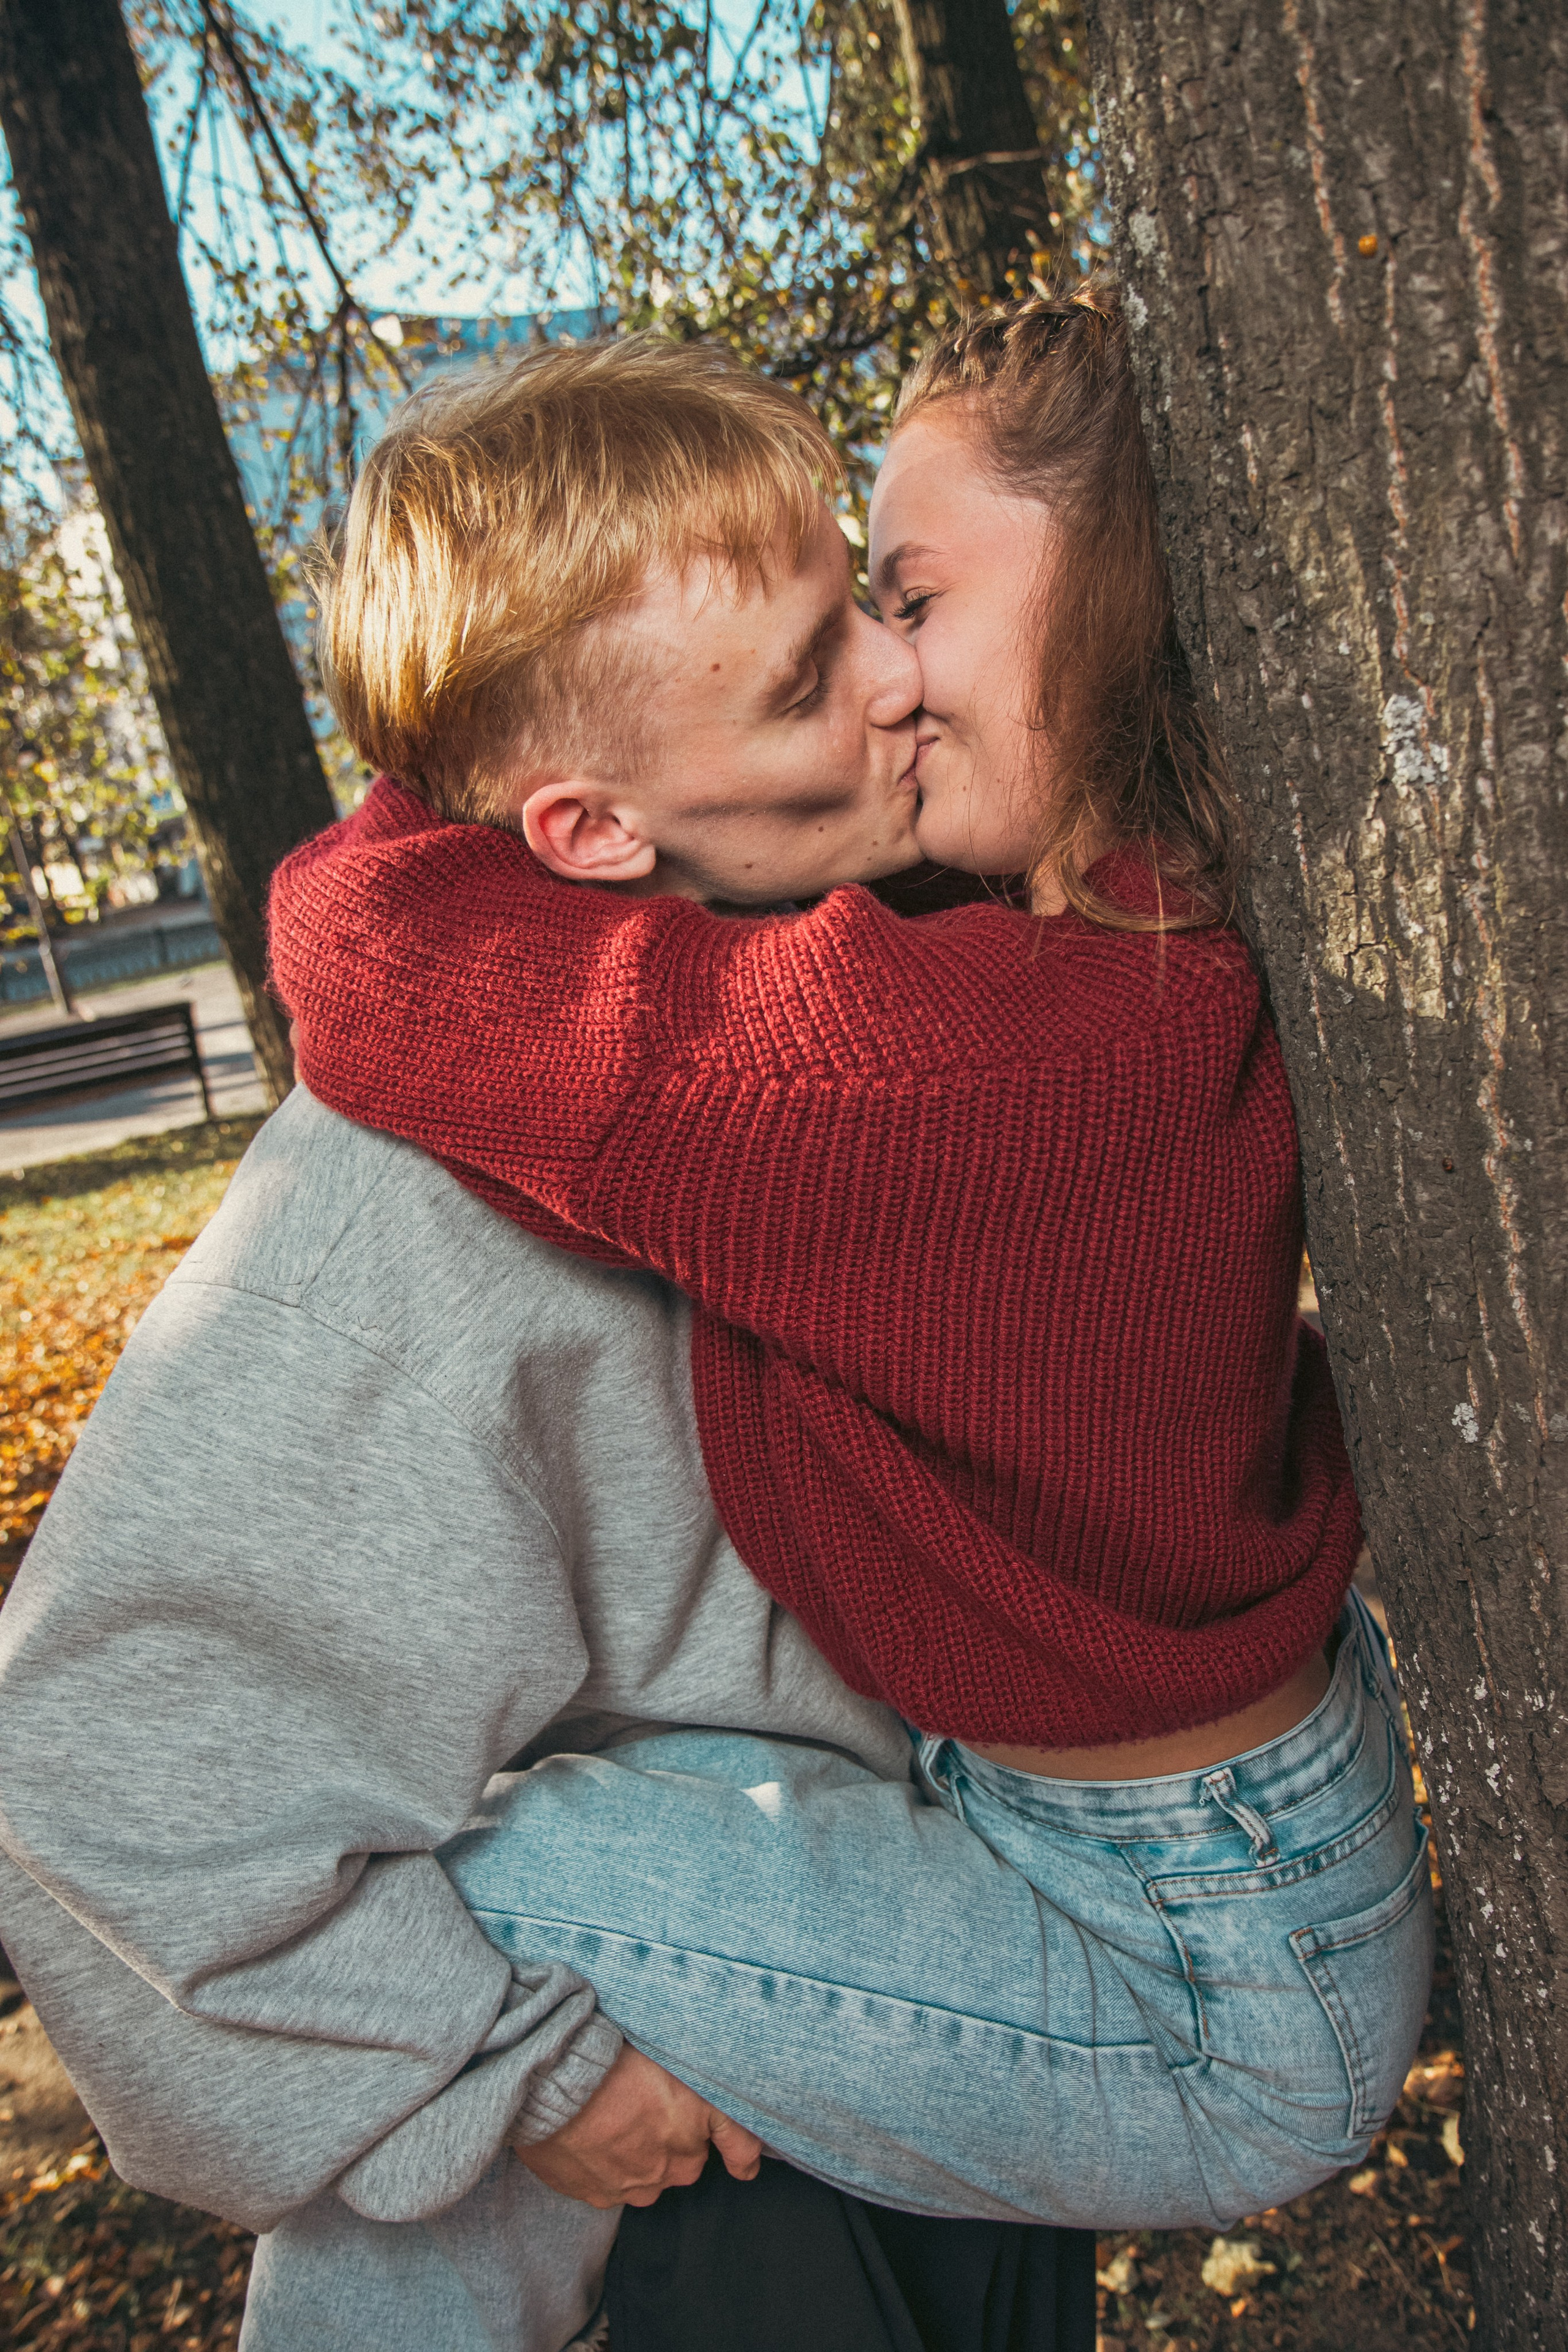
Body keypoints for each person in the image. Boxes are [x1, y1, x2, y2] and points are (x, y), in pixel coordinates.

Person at [270, 293, 1435, 2232]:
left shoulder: (929, 1066)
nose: (890, 674)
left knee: (443, 1887)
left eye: (906, 596)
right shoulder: (1109, 932)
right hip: (1201, 1835)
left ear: (1123, 608)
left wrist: (488, 748)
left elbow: (369, 954)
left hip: (1214, 2010)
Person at [0, 333, 1098, 2352]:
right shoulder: (396, 1222)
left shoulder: (827, 1019)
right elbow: (96, 1782)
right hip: (658, 2229)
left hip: (894, 2094)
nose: (889, 672)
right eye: (796, 674)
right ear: (589, 831)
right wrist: (521, 2071)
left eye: (866, 597)